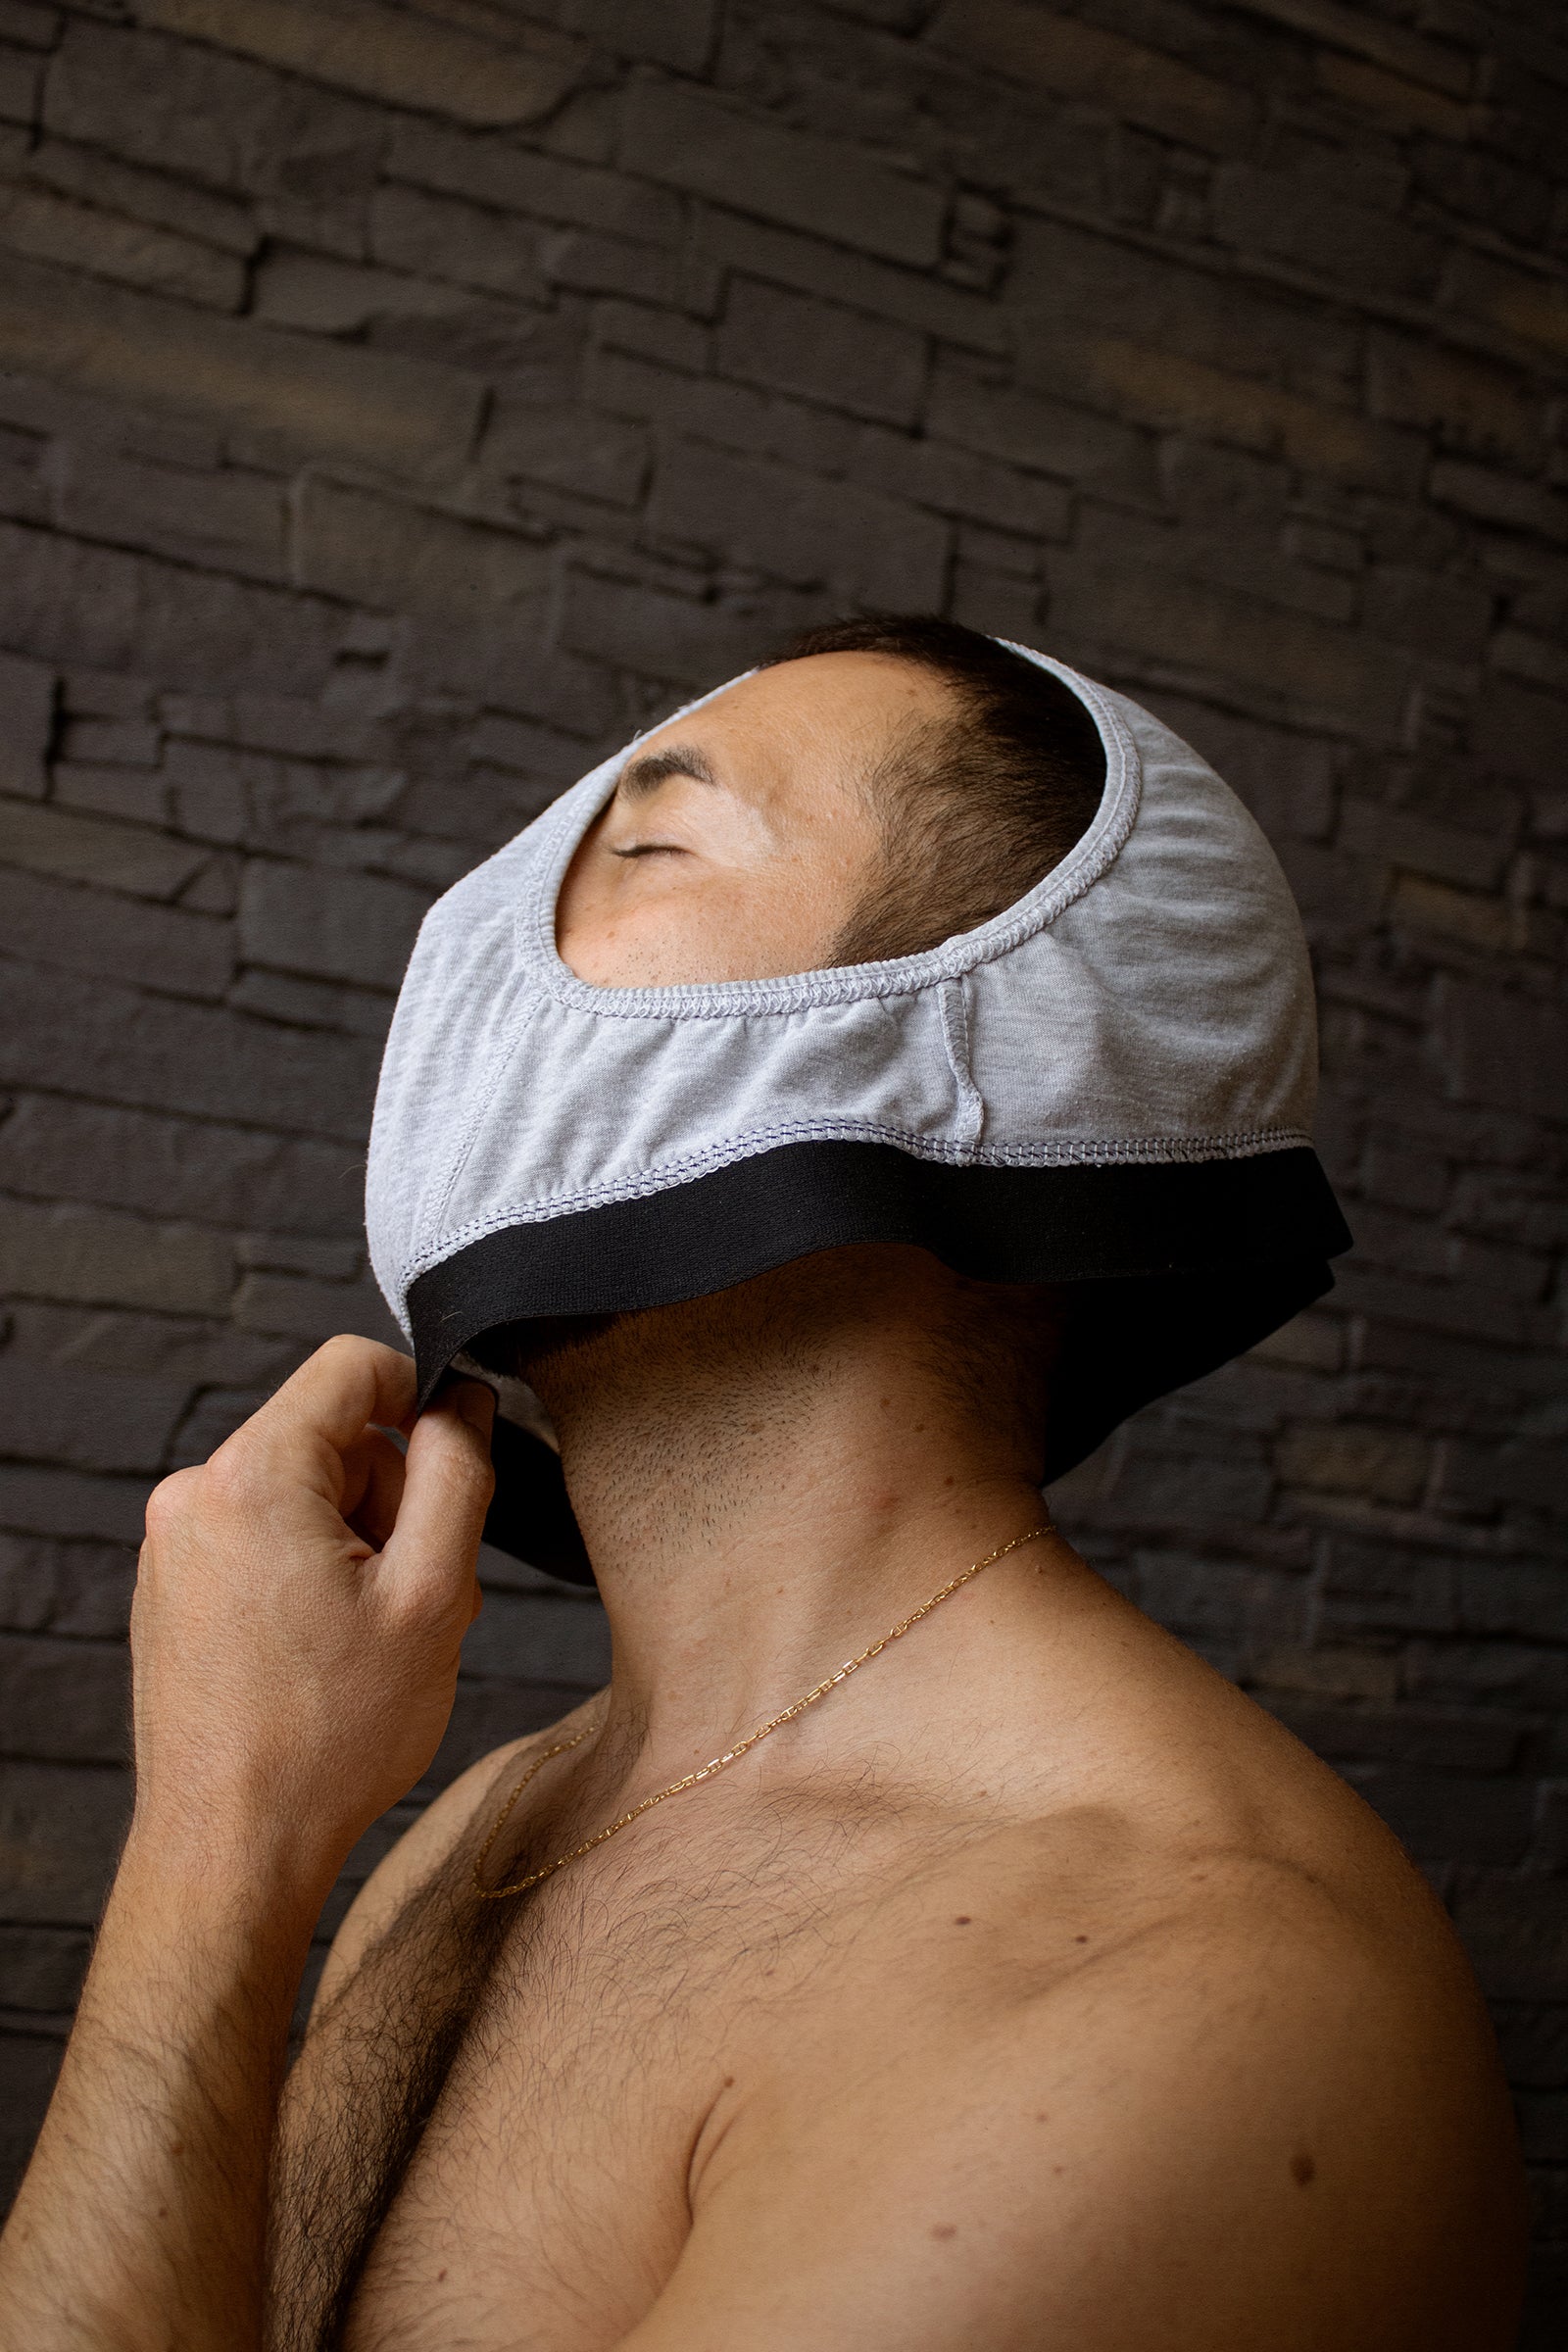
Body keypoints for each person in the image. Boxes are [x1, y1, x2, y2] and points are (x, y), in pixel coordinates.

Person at [0, 621, 1526, 2352]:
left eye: (650, 845)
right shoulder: (488, 1828)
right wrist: (231, 1841)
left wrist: (208, 1851)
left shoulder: (1164, 2001)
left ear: (963, 1052)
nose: (485, 934)